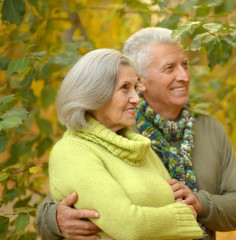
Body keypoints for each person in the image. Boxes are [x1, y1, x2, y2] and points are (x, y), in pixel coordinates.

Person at [36, 28, 236, 240]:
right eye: (169, 68)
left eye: (185, 65)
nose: (184, 75)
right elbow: (70, 189)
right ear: (142, 80)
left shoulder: (209, 128)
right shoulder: (119, 129)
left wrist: (199, 203)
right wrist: (55, 221)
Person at [46, 48, 203, 240]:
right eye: (124, 88)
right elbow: (129, 225)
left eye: (135, 87)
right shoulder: (71, 152)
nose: (137, 98)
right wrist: (183, 217)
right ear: (94, 94)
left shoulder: (139, 147)